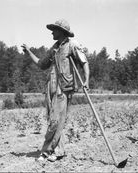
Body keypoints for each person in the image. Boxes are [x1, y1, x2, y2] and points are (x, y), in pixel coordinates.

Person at [21, 19, 90, 162]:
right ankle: (58, 151)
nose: (52, 32)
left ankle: (46, 151)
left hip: (64, 88)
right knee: (56, 121)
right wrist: (29, 52)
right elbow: (41, 64)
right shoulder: (54, 48)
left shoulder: (72, 45)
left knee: (55, 120)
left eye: (54, 29)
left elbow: (84, 62)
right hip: (50, 88)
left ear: (62, 31)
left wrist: (86, 80)